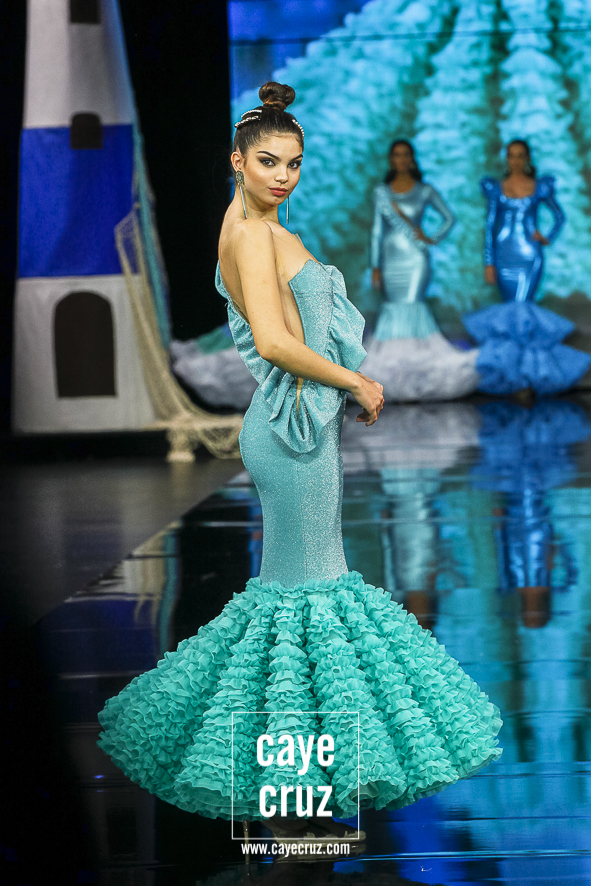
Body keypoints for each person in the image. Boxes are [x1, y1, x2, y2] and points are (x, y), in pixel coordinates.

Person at [97, 83, 502, 847]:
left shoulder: (263, 226)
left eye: (293, 163)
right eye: (267, 162)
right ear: (237, 161)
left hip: (300, 425)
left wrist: (338, 385)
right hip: (289, 430)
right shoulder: (250, 235)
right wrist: (356, 380)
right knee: (302, 599)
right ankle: (282, 785)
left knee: (301, 597)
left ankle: (295, 783)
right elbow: (276, 343)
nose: (282, 175)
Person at [464, 140, 591, 396]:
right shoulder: (496, 187)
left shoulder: (539, 186)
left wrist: (546, 236)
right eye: (512, 155)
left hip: (529, 255)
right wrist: (489, 262)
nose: (516, 160)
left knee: (523, 311)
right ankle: (516, 380)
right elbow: (490, 226)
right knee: (510, 316)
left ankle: (528, 380)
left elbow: (559, 215)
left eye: (520, 155)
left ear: (528, 158)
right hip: (503, 254)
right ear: (506, 158)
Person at [362, 139, 480, 401]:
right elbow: (377, 231)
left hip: (416, 259)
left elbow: (449, 218)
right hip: (390, 260)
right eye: (396, 154)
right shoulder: (382, 192)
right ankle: (393, 376)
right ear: (391, 159)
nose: (401, 159)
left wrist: (431, 238)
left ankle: (419, 374)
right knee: (393, 308)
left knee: (412, 306)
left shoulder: (424, 190)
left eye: (405, 154)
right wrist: (375, 265)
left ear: (412, 158)